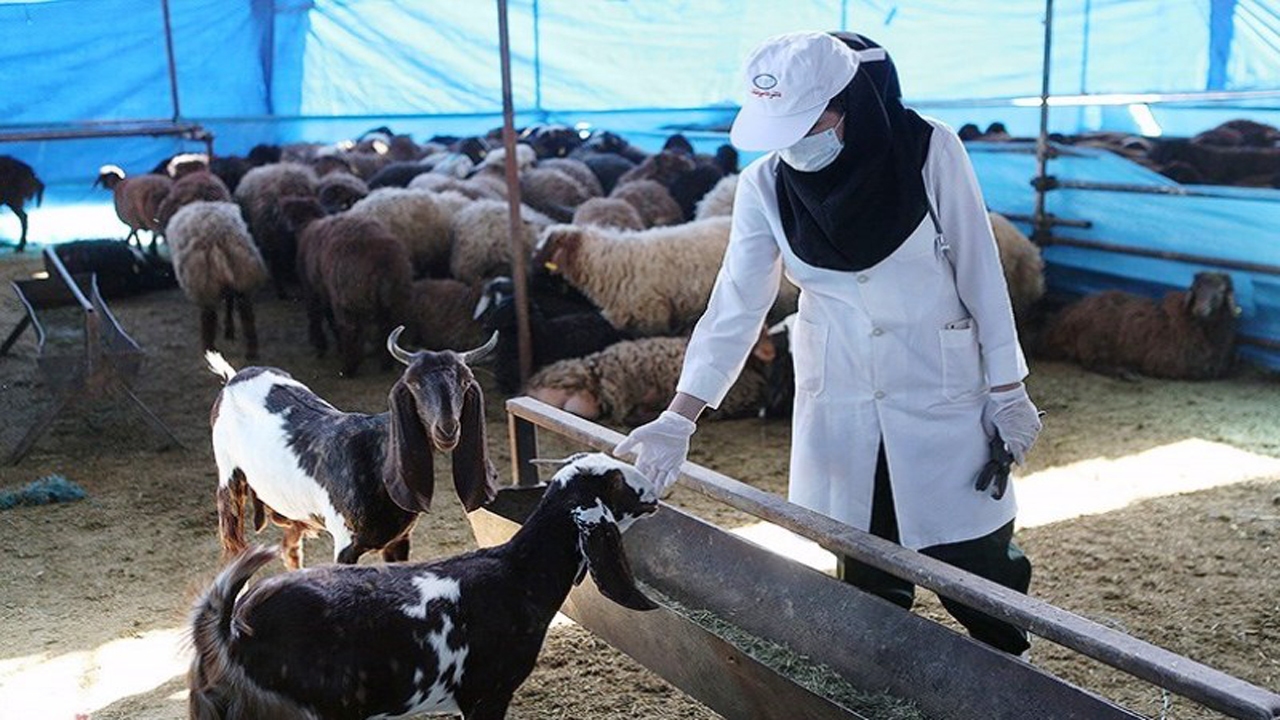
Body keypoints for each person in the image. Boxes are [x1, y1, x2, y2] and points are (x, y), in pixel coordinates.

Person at [613, 30, 1043, 656]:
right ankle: (878, 673)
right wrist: (680, 415)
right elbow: (736, 303)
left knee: (973, 556)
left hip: (938, 384)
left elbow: (982, 272)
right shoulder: (765, 184)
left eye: (804, 121)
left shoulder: (930, 151)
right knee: (862, 553)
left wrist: (1008, 388)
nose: (793, 142)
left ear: (848, 103)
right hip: (839, 391)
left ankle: (1014, 668)